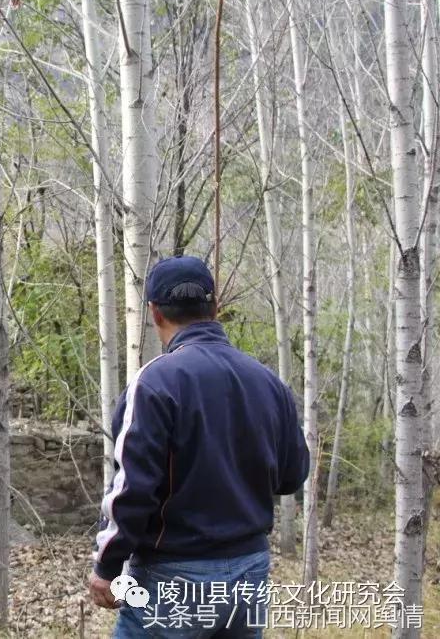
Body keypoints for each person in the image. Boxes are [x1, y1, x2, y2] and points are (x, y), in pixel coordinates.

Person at [87, 256, 310, 638]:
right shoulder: (269, 382)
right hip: (249, 573)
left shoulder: (154, 383)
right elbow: (292, 476)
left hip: (173, 574)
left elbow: (132, 489)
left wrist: (107, 567)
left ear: (155, 313)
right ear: (215, 307)